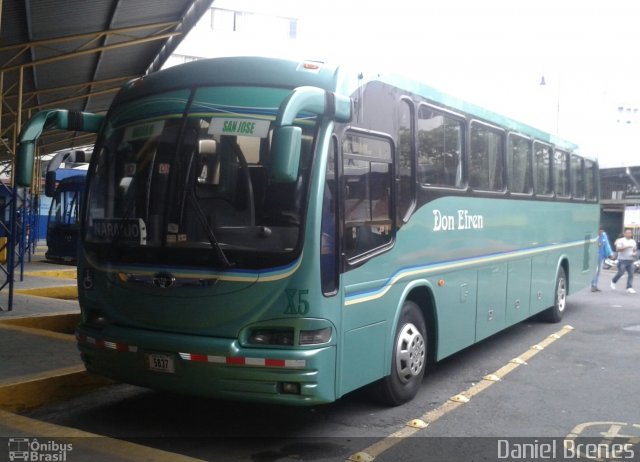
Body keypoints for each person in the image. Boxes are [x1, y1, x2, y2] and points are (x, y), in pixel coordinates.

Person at [611, 228, 638, 294]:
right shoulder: (621, 240)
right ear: (624, 234)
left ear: (632, 234)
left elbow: (634, 250)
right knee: (621, 273)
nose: (629, 234)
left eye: (630, 233)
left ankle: (629, 287)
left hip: (630, 260)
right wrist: (627, 247)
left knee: (631, 274)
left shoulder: (633, 241)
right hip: (622, 260)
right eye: (627, 233)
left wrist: (634, 254)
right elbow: (618, 249)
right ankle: (613, 281)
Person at [591, 227, 613, 292]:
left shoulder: (604, 235)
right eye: (600, 231)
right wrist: (597, 245)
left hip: (601, 256)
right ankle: (593, 285)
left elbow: (607, 245)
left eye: (602, 231)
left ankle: (595, 285)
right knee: (595, 271)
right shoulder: (594, 236)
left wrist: (609, 253)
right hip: (594, 256)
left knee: (598, 271)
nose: (601, 232)